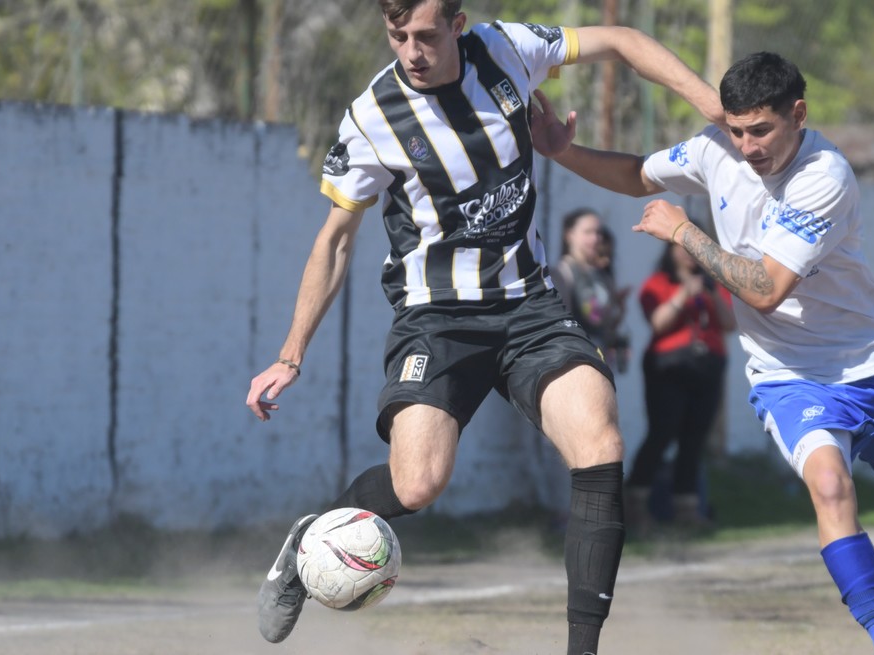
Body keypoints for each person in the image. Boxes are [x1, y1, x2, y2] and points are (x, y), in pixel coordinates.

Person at [243, 2, 721, 653]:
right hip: (436, 321)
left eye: (427, 35)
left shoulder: (507, 51)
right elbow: (335, 241)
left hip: (530, 308)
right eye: (398, 35)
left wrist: (708, 102)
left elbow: (622, 40)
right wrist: (289, 354)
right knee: (417, 483)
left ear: (459, 24)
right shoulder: (372, 117)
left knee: (599, 440)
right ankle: (312, 532)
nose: (412, 49)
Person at [530, 51, 874, 655]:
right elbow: (638, 172)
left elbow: (766, 289)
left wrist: (686, 233)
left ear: (798, 114)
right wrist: (562, 151)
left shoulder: (825, 176)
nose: (746, 146)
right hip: (790, 374)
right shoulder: (718, 148)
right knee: (829, 485)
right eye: (737, 130)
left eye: (761, 130)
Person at [625, 240, 734, 532]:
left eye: (695, 246)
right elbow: (658, 323)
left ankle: (687, 509)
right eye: (683, 246)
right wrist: (684, 292)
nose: (689, 253)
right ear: (670, 250)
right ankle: (636, 505)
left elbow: (730, 323)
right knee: (662, 433)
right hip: (668, 366)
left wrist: (711, 291)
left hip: (708, 365)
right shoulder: (658, 283)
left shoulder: (715, 283)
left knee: (694, 438)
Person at [553, 208, 631, 373]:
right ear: (569, 235)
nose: (595, 238)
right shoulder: (560, 275)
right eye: (587, 232)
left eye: (598, 232)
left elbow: (604, 324)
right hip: (574, 367)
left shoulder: (600, 275)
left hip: (600, 364)